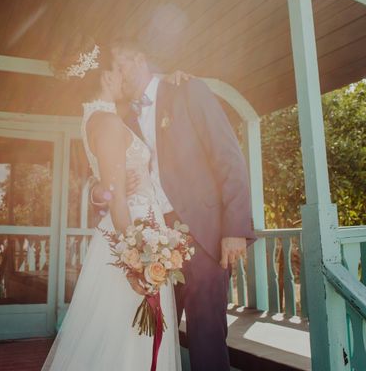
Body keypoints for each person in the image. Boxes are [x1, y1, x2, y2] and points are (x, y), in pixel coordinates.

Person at [94, 37, 257, 371]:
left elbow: (229, 158)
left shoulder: (187, 90)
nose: (117, 75)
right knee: (154, 333)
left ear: (138, 58)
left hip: (204, 233)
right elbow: (112, 179)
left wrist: (235, 228)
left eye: (120, 66)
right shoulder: (122, 118)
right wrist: (100, 192)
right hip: (154, 239)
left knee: (207, 336)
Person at [42, 35, 181, 370]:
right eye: (119, 71)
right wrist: (136, 260)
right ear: (106, 77)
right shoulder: (105, 123)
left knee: (130, 334)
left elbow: (109, 185)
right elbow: (117, 198)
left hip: (140, 228)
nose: (125, 77)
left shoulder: (102, 118)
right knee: (127, 336)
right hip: (131, 234)